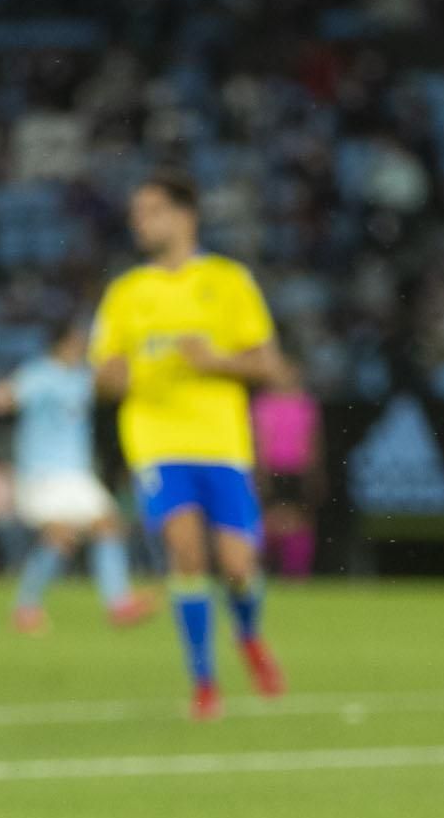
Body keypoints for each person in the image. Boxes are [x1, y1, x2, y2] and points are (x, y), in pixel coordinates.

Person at [91, 174, 295, 719]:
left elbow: (272, 366)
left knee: (237, 565)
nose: (142, 222)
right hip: (157, 442)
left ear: (186, 216)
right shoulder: (127, 292)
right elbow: (104, 379)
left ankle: (249, 636)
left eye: (153, 210)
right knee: (186, 550)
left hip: (223, 443)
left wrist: (217, 361)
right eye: (138, 213)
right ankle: (204, 681)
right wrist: (120, 372)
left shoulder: (228, 281)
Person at [0, 326, 153, 633]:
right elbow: (7, 396)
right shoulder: (40, 374)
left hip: (75, 473)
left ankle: (118, 603)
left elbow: (113, 385)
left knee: (108, 526)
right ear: (59, 345)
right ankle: (26, 607)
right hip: (43, 473)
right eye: (76, 343)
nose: (81, 349)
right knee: (60, 537)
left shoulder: (81, 377)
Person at [250, 378, 322, 580]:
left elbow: (313, 438)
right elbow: (258, 438)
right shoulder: (262, 402)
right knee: (269, 521)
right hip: (271, 467)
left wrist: (314, 470)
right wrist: (259, 469)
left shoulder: (305, 403)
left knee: (297, 522)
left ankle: (295, 574)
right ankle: (265, 570)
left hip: (297, 468)